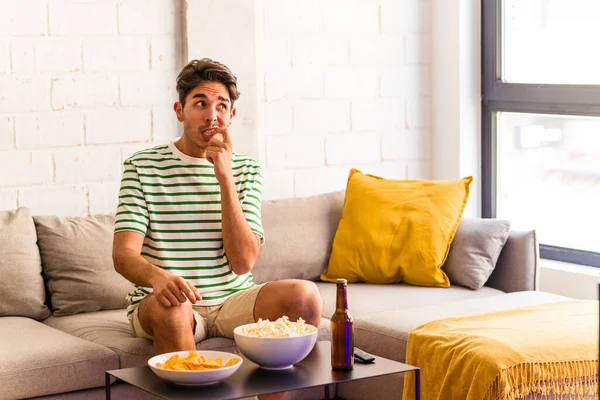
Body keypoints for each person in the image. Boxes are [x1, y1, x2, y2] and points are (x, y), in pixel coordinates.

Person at [112, 58, 323, 400]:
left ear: (232, 116)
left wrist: (225, 177)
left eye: (221, 106)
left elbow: (243, 263)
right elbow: (123, 255)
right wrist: (156, 278)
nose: (212, 115)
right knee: (174, 308)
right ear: (179, 111)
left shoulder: (246, 169)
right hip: (166, 301)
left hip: (232, 300)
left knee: (304, 296)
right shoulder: (142, 166)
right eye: (200, 104)